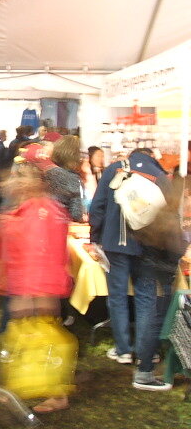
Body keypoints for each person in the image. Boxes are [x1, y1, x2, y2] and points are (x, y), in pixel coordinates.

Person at [0, 163, 76, 413]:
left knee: (43, 340)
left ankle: (57, 394)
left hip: (37, 284)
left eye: (16, 179)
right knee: (23, 337)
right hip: (30, 282)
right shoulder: (34, 209)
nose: (10, 183)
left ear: (30, 183)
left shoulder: (40, 212)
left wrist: (30, 291)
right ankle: (16, 387)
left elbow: (41, 252)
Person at [89, 148, 172, 390]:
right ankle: (147, 355)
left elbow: (98, 207)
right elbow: (168, 216)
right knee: (146, 300)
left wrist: (95, 238)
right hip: (148, 247)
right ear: (151, 157)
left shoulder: (113, 169)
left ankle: (123, 350)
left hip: (115, 244)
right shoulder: (159, 175)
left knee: (117, 296)